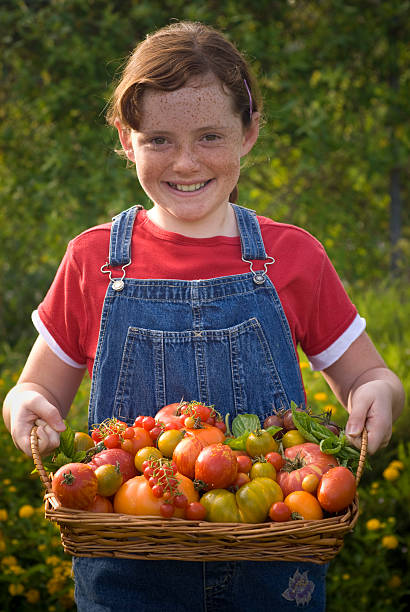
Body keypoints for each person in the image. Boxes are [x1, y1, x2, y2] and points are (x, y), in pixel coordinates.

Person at [3, 20, 404, 612]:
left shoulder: (292, 255)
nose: (186, 162)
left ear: (249, 133)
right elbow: (37, 389)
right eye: (159, 139)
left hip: (274, 559)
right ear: (125, 136)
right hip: (127, 569)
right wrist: (23, 407)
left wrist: (380, 395)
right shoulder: (93, 260)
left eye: (210, 136)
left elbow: (368, 377)